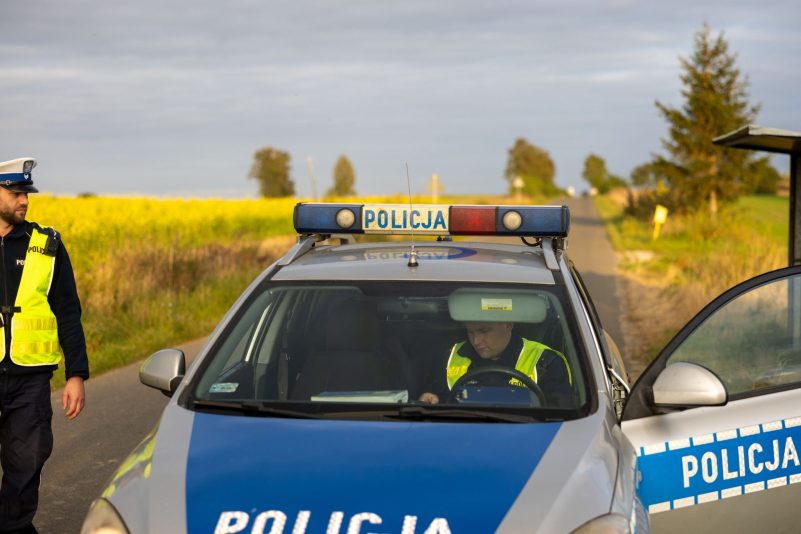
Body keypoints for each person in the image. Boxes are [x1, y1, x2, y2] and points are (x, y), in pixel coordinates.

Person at [0, 158, 89, 533]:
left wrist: (76, 374)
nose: (24, 200)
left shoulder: (46, 245)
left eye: (27, 194)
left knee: (25, 465)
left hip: (30, 379)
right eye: (15, 193)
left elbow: (68, 311)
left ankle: (15, 528)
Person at [418, 321, 571, 406]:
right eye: (470, 332)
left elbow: (559, 419)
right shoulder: (451, 356)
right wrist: (431, 397)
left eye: (484, 331)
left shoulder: (545, 361)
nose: (476, 341)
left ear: (508, 325)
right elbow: (436, 398)